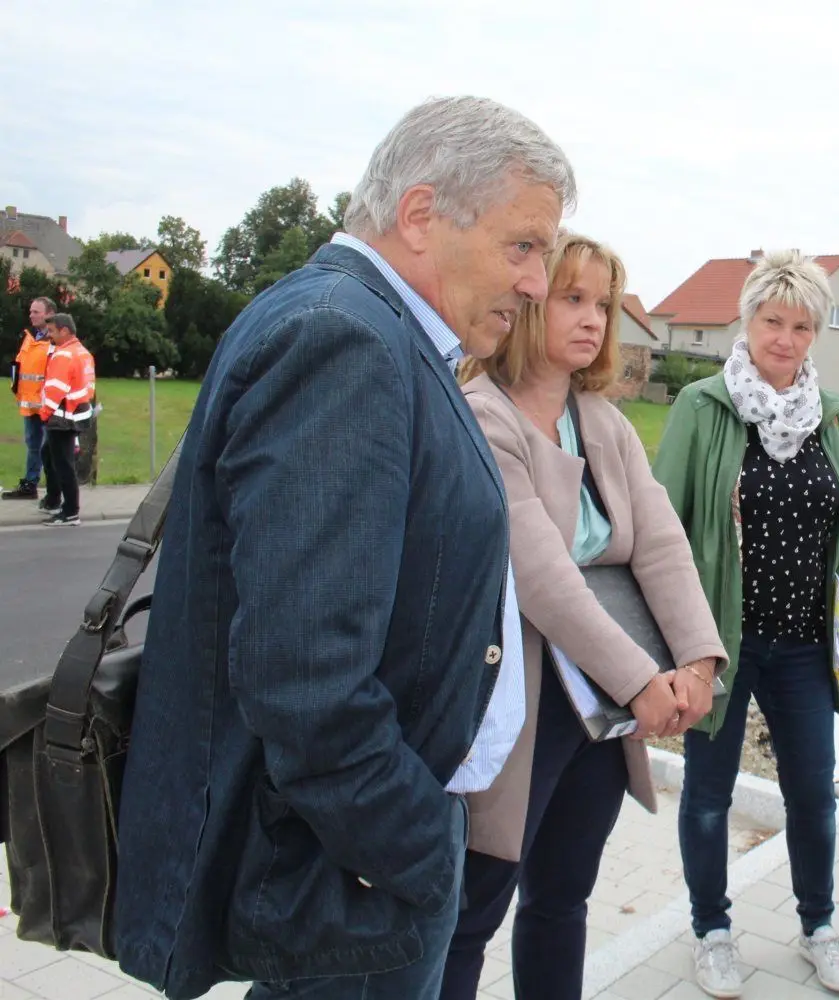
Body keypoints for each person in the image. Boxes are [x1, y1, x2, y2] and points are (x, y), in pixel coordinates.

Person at [114, 96, 574, 1000]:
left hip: (348, 862)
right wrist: (415, 850)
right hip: (349, 874)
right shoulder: (346, 339)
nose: (535, 283)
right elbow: (304, 675)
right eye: (524, 246)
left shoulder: (375, 332)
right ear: (419, 216)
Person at [442, 232, 728, 1000]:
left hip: (598, 712)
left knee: (563, 898)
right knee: (471, 912)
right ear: (529, 303)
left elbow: (663, 545)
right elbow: (541, 577)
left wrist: (698, 663)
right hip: (519, 705)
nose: (594, 319)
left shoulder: (602, 420)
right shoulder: (481, 416)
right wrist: (643, 682)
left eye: (602, 304)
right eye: (573, 298)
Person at [653, 249, 839, 998]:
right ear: (746, 322)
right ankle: (712, 932)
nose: (785, 338)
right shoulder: (702, 407)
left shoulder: (834, 418)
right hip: (720, 644)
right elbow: (665, 529)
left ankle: (820, 927)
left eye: (802, 325)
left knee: (813, 795)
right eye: (773, 321)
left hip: (804, 646)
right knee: (708, 796)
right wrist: (672, 647)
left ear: (816, 334)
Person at [33, 312, 95, 525]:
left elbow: (55, 390)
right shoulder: (83, 353)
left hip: (62, 417)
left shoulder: (63, 355)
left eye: (52, 331)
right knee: (49, 455)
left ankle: (70, 512)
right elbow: (88, 386)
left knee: (63, 463)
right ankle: (54, 500)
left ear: (65, 331)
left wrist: (44, 414)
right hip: (77, 414)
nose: (49, 336)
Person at [3, 296, 55, 501]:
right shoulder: (29, 337)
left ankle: (55, 492)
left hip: (48, 406)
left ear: (49, 314)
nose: (31, 315)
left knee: (49, 450)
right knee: (33, 446)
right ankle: (30, 485)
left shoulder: (55, 340)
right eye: (31, 311)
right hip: (30, 403)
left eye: (36, 312)